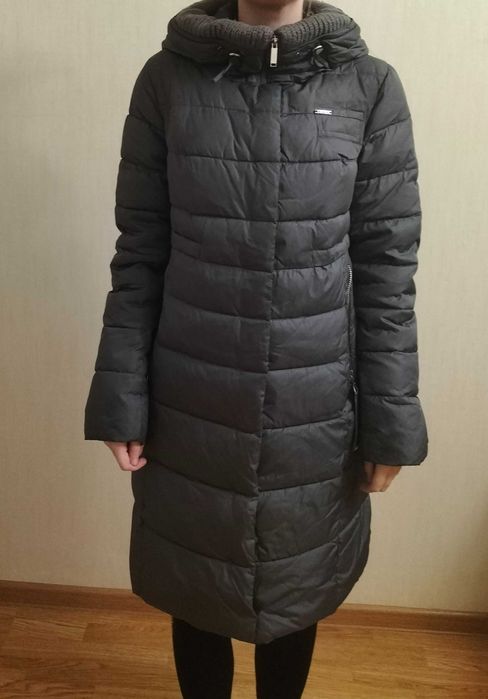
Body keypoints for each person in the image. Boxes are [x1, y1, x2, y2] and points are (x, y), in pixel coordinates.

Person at [84, 0, 429, 696]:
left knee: (297, 588)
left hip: (313, 408)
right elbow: (141, 251)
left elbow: (387, 270)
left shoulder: (370, 88)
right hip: (192, 399)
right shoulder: (167, 81)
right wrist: (121, 393)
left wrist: (390, 420)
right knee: (196, 586)